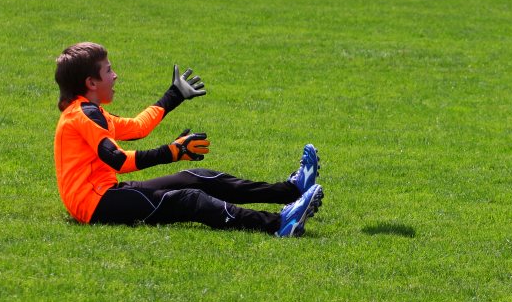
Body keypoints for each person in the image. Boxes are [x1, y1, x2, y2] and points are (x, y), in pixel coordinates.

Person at [53, 42, 323, 237]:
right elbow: (118, 160)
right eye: (108, 71)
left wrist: (174, 95)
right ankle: (279, 224)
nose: (115, 76)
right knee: (190, 200)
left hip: (105, 194)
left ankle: (291, 191)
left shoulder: (89, 112)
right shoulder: (83, 115)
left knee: (199, 177)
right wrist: (172, 151)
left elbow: (137, 127)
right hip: (95, 204)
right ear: (91, 83)